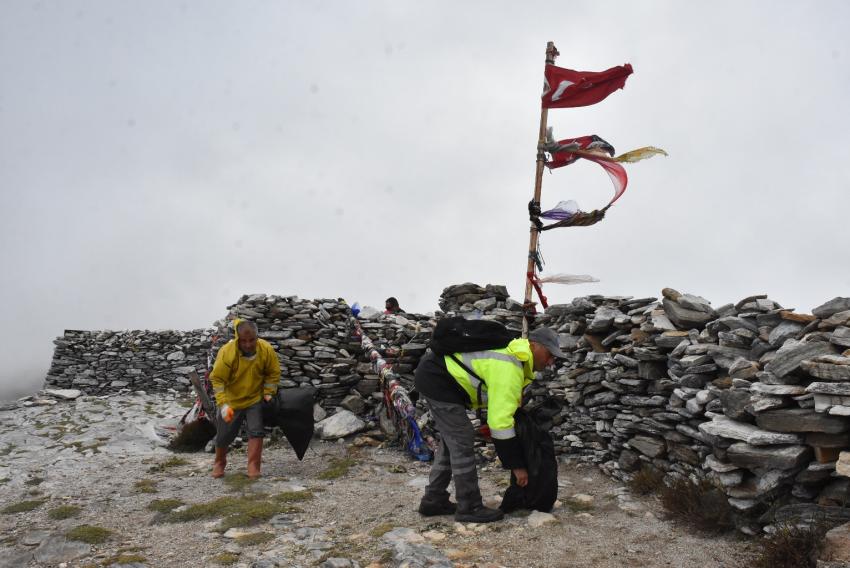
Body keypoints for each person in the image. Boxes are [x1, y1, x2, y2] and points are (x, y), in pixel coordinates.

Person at [414, 326, 566, 522]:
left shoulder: (514, 358)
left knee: (453, 440)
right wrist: (516, 466)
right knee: (461, 439)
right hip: (437, 380)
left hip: (435, 376)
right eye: (550, 353)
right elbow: (501, 424)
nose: (551, 361)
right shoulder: (510, 366)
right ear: (534, 345)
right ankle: (469, 506)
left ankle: (434, 500)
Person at [210, 319, 281, 479]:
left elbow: (273, 372)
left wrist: (269, 392)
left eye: (252, 340)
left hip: (254, 398)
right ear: (237, 338)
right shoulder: (227, 352)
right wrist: (223, 404)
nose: (248, 344)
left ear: (257, 337)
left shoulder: (266, 350)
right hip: (231, 400)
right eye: (243, 340)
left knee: (256, 431)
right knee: (224, 435)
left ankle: (253, 465)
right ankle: (219, 462)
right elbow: (217, 379)